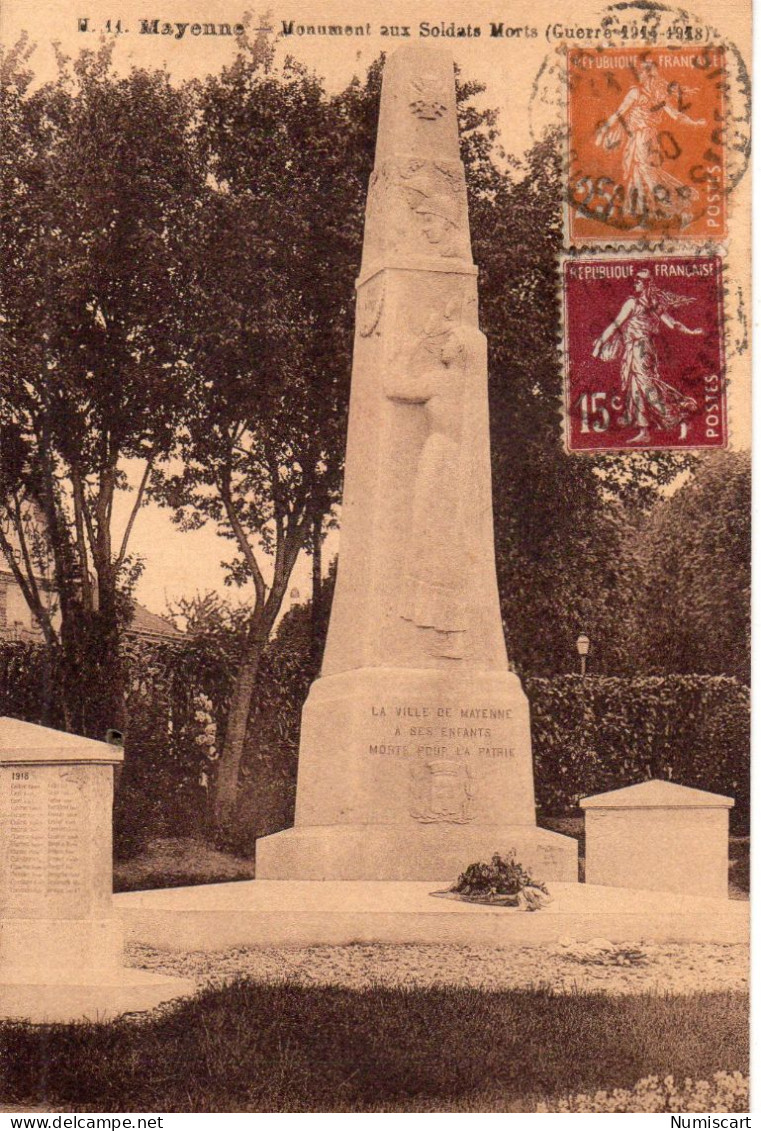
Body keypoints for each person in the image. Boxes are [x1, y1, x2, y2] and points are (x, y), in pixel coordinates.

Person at [592, 270, 702, 443]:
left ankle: (680, 415)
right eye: (634, 281)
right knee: (635, 387)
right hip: (636, 349)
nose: (634, 284)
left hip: (640, 349)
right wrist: (691, 331)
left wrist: (600, 343)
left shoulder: (635, 303)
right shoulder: (651, 304)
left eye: (638, 282)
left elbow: (616, 325)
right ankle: (644, 431)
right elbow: (672, 324)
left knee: (646, 386)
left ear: (646, 284)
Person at [594, 59, 705, 230]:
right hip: (639, 137)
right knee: (639, 170)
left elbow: (676, 115)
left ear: (649, 74)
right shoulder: (636, 93)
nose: (640, 75)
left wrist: (695, 123)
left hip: (646, 138)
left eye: (643, 72)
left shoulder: (658, 96)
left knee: (646, 170)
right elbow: (619, 113)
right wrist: (603, 130)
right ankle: (640, 212)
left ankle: (669, 206)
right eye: (640, 72)